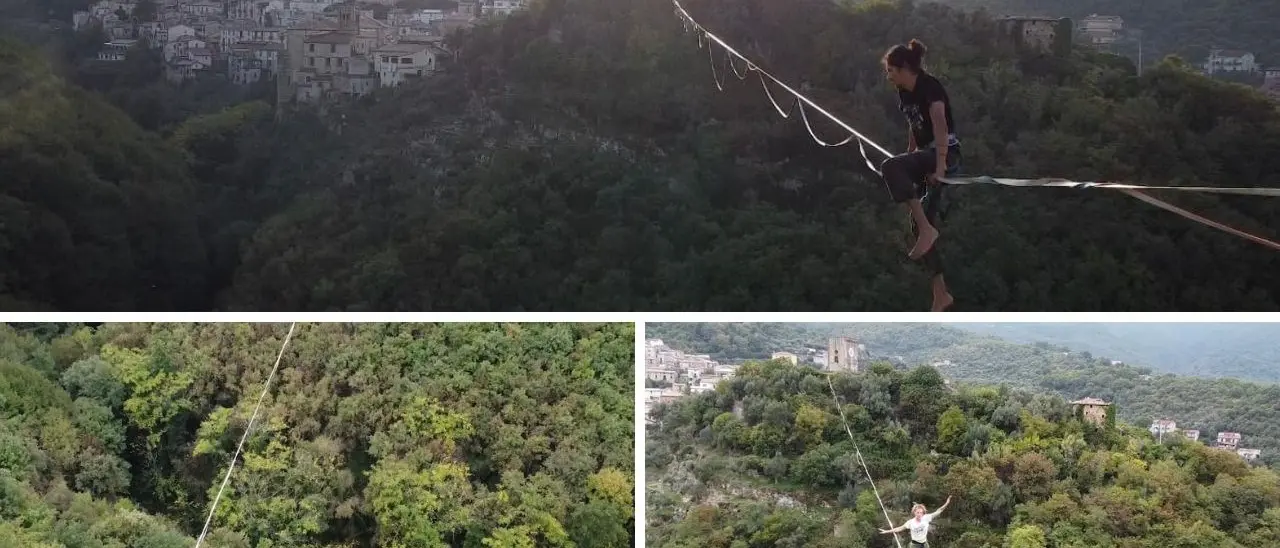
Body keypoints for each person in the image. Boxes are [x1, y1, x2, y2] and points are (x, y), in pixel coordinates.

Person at [878, 39, 961, 312]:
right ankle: (940, 294)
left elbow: (940, 125)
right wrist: (910, 155)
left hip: (944, 153)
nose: (888, 76)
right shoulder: (904, 91)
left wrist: (939, 167)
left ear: (903, 68)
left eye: (891, 70)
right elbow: (914, 124)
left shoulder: (930, 87)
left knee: (890, 167)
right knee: (917, 227)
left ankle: (927, 228)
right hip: (925, 154)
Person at [879, 496, 952, 548]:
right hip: (915, 545)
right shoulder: (910, 522)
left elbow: (939, 510)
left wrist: (947, 503)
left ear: (923, 513)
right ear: (914, 513)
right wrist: (887, 531)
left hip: (924, 543)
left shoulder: (927, 517)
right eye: (917, 512)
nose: (919, 514)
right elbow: (899, 528)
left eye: (921, 512)